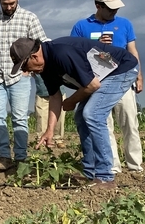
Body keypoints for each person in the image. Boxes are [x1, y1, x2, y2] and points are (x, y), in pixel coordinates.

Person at [10, 37, 138, 189]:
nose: (26, 71)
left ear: (34, 56)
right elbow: (55, 96)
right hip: (103, 76)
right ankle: (90, 172)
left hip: (121, 69)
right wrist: (50, 130)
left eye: (25, 66)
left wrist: (71, 101)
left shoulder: (62, 53)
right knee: (82, 117)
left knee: (92, 114)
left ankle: (105, 177)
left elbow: (92, 85)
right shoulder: (45, 67)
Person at [71, 0, 143, 173]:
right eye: (110, 8)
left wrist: (139, 75)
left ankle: (135, 165)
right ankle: (113, 166)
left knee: (130, 122)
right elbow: (75, 55)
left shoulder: (125, 24)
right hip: (97, 83)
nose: (114, 11)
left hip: (123, 79)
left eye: (116, 7)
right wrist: (98, 45)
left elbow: (132, 51)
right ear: (98, 5)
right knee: (104, 125)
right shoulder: (81, 26)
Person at [0, 0, 47, 172]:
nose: (8, 7)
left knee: (19, 117)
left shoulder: (29, 18)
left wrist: (29, 69)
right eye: (5, 3)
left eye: (12, 3)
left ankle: (21, 157)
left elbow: (40, 43)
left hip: (21, 76)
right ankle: (3, 156)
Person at [33, 74, 66, 143]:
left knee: (60, 117)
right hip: (41, 91)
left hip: (59, 91)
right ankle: (41, 140)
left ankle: (58, 139)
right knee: (41, 117)